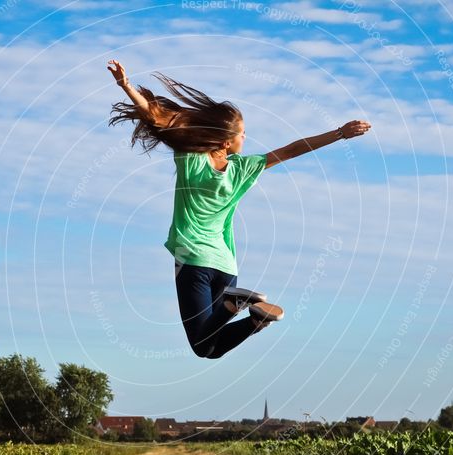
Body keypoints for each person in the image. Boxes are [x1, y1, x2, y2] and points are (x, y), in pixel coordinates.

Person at [107, 60, 371, 359]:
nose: (245, 138)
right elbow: (291, 150)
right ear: (226, 140)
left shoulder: (190, 157)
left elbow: (156, 116)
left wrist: (126, 86)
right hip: (227, 267)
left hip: (194, 260)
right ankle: (255, 319)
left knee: (200, 345)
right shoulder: (243, 169)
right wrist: (339, 133)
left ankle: (238, 307)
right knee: (210, 349)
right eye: (242, 133)